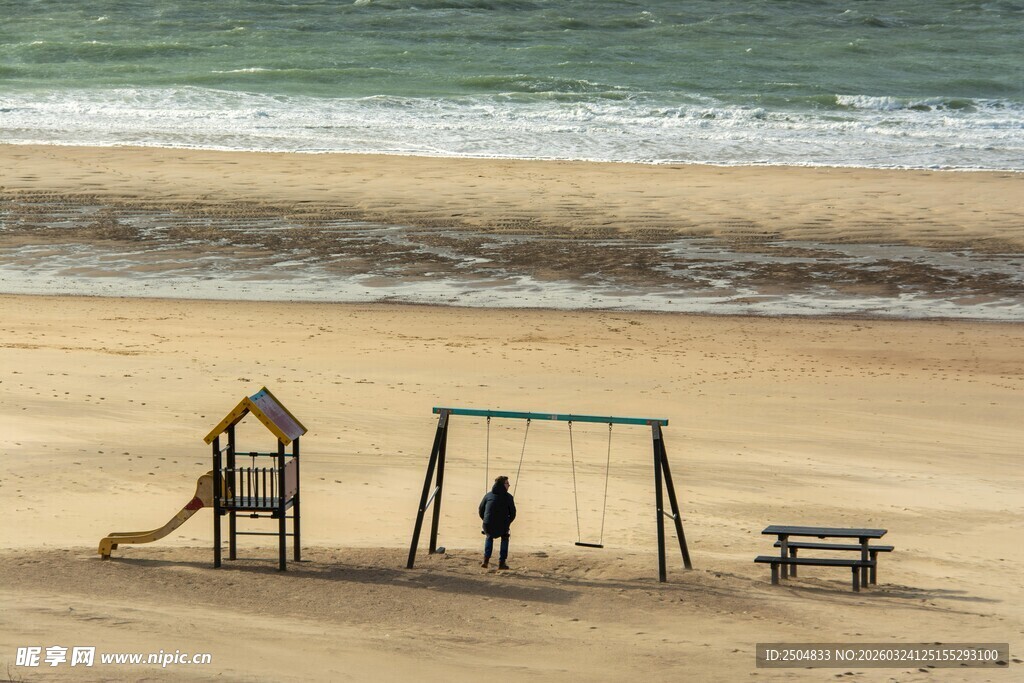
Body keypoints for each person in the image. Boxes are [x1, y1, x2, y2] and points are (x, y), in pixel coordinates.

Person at [478, 475, 516, 569]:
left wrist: (485, 519)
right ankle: (501, 563)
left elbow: (481, 510)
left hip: (487, 524)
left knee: (489, 536)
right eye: (507, 483)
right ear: (502, 484)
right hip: (502, 525)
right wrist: (508, 523)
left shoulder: (488, 495)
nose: (509, 485)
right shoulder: (509, 497)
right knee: (505, 537)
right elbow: (513, 513)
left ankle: (486, 561)